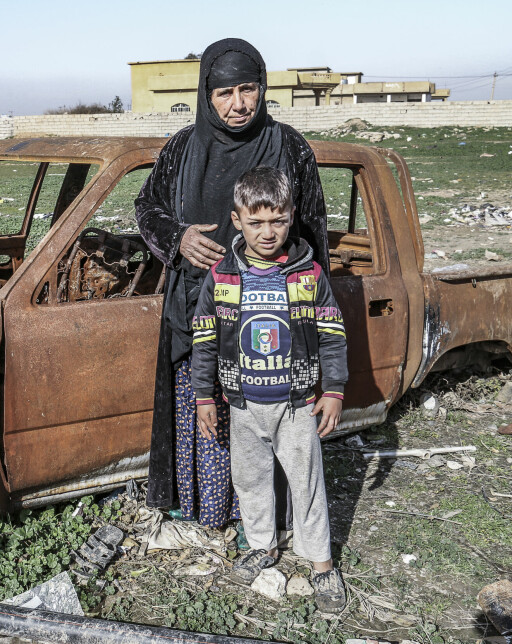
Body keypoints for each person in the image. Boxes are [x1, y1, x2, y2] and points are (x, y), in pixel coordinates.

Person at [136, 37, 330, 533]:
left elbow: (313, 232)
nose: (238, 104)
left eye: (248, 89)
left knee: (266, 420)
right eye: (224, 93)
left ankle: (259, 524)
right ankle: (207, 510)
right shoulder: (182, 147)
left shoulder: (289, 146)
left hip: (272, 319)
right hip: (198, 309)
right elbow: (147, 206)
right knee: (204, 411)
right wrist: (177, 238)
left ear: (263, 89)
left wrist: (311, 320)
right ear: (206, 95)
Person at [191, 165, 347, 612]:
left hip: (297, 404)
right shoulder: (221, 276)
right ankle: (262, 545)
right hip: (241, 404)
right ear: (237, 220)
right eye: (255, 222)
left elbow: (332, 334)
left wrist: (333, 389)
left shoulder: (309, 274)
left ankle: (322, 563)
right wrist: (205, 396)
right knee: (251, 480)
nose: (267, 232)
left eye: (277, 220)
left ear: (292, 216)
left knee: (307, 482)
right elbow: (203, 337)